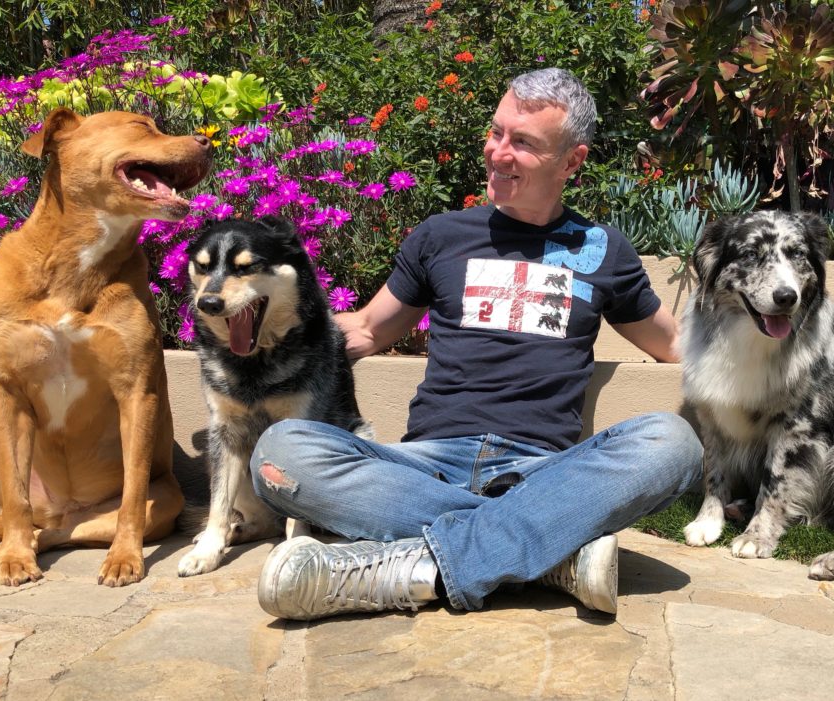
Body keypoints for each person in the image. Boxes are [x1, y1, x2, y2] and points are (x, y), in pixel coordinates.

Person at [250, 68, 703, 621]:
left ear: (571, 162)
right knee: (280, 453)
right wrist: (269, 336)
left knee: (673, 443)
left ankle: (414, 569)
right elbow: (368, 328)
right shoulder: (441, 235)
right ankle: (548, 549)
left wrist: (775, 352)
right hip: (423, 465)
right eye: (497, 133)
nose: (498, 153)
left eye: (524, 143)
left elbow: (676, 344)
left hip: (542, 469)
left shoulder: (602, 249)